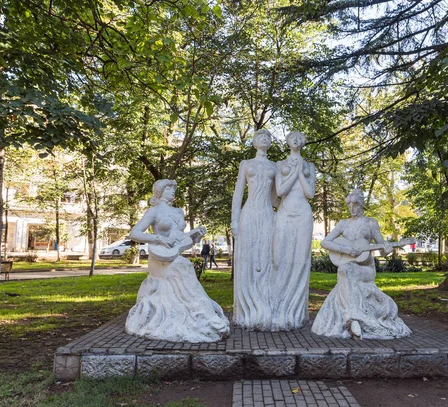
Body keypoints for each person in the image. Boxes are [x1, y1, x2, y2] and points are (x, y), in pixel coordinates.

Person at [124, 179, 229, 342]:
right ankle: (198, 313)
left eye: (174, 189)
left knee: (184, 265)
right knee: (184, 266)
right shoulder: (153, 211)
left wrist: (195, 237)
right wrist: (157, 239)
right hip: (159, 259)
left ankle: (201, 313)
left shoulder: (179, 212)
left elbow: (180, 240)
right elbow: (134, 233)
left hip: (172, 256)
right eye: (169, 188)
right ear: (160, 191)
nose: (173, 191)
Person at [311, 189, 411, 339]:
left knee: (346, 271)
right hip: (348, 264)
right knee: (345, 269)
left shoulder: (370, 223)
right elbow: (325, 242)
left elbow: (381, 248)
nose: (352, 208)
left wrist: (387, 250)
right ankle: (353, 318)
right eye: (349, 205)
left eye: (355, 205)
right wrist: (344, 249)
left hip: (365, 268)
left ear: (362, 205)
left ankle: (352, 318)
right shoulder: (343, 224)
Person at [231, 129, 280, 330]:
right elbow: (237, 194)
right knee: (248, 257)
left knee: (266, 257)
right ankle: (245, 310)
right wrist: (234, 220)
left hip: (267, 214)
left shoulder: (275, 166)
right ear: (253, 142)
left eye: (268, 137)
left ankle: (265, 306)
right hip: (248, 213)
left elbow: (276, 197)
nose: (265, 139)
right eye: (261, 136)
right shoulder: (246, 164)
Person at [270, 131, 315, 331]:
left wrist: (299, 172)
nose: (295, 139)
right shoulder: (280, 165)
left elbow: (310, 193)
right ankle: (278, 305)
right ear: (287, 142)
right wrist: (295, 172)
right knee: (279, 257)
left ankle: (297, 311)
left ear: (303, 141)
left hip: (303, 213)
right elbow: (279, 192)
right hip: (285, 212)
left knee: (300, 258)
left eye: (299, 137)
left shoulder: (310, 166)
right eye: (291, 137)